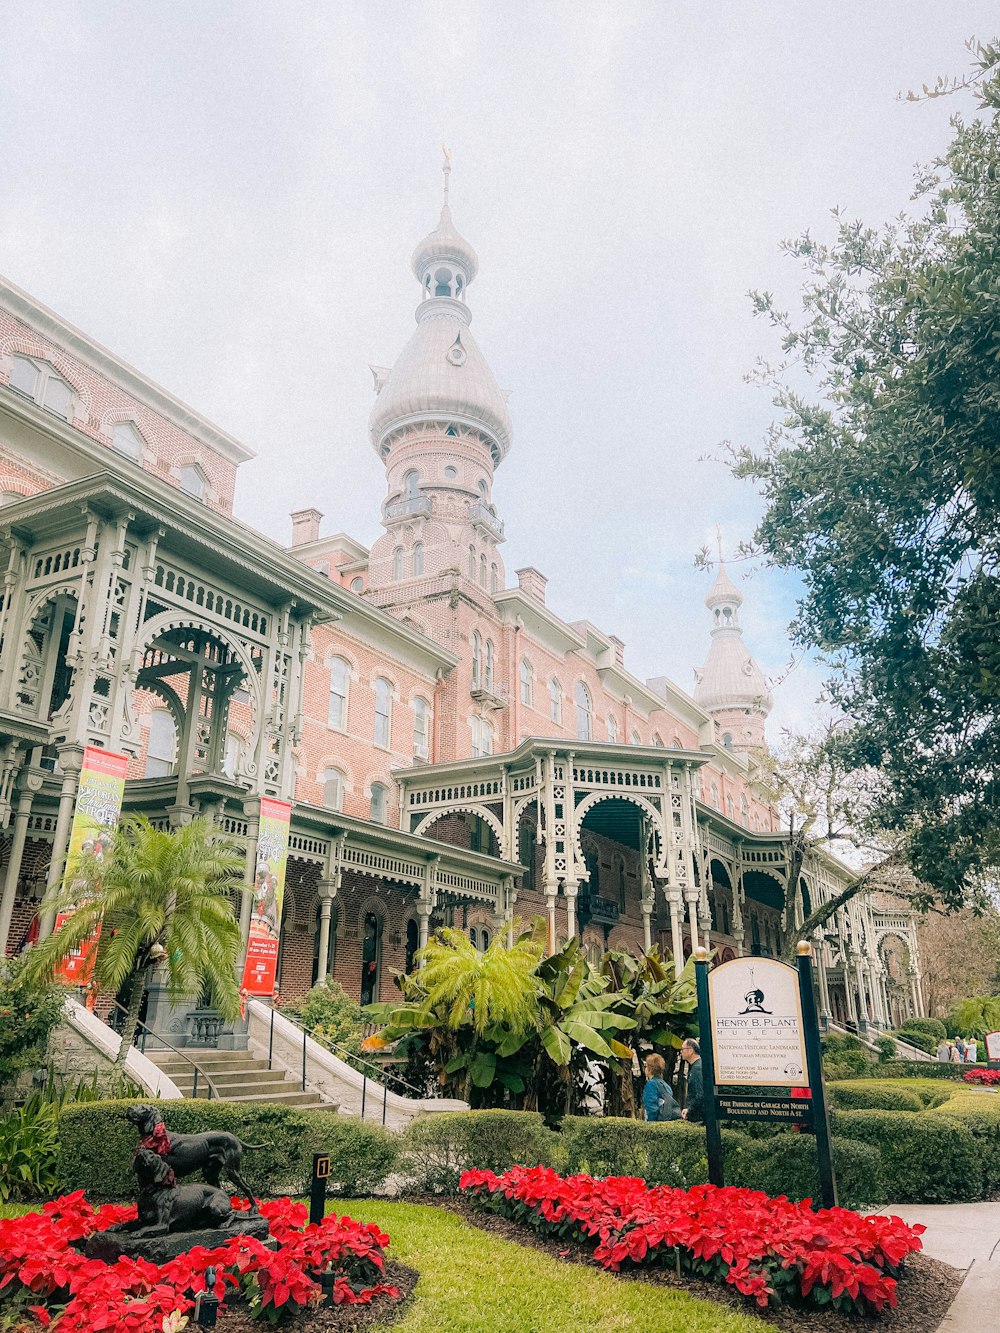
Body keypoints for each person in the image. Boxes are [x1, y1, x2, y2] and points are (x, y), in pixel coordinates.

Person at [642, 1053, 680, 1123]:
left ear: (650, 1069)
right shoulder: (665, 1085)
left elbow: (651, 1108)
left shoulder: (651, 1084)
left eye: (646, 1066)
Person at [680, 1038, 704, 1123]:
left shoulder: (697, 1069)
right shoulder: (698, 1066)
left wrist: (690, 1110)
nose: (681, 1052)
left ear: (690, 1051)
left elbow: (699, 1093)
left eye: (683, 1049)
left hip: (698, 1117)